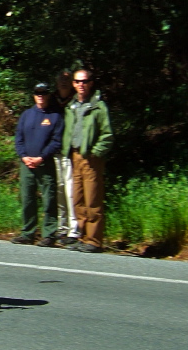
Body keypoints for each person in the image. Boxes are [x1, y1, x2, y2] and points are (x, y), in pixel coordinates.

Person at [62, 69, 114, 253]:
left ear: (91, 83)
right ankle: (82, 237)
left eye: (85, 81)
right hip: (75, 156)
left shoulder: (98, 107)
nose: (81, 85)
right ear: (74, 84)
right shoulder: (72, 106)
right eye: (77, 81)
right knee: (78, 199)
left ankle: (94, 240)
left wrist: (96, 152)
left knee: (93, 199)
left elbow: (107, 134)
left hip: (91, 158)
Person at [11, 83, 64, 246]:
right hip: (26, 164)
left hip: (45, 163)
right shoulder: (26, 115)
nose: (40, 95)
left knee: (49, 199)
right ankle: (28, 233)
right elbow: (18, 139)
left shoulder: (55, 116)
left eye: (43, 93)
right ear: (33, 95)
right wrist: (24, 156)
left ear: (48, 95)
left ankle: (49, 234)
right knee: (27, 198)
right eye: (37, 93)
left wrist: (42, 157)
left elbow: (57, 141)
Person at [51, 69, 79, 245]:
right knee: (59, 192)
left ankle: (73, 230)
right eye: (60, 79)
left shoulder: (76, 101)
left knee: (71, 192)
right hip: (54, 152)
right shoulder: (52, 100)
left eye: (67, 80)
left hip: (70, 153)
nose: (63, 82)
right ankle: (61, 229)